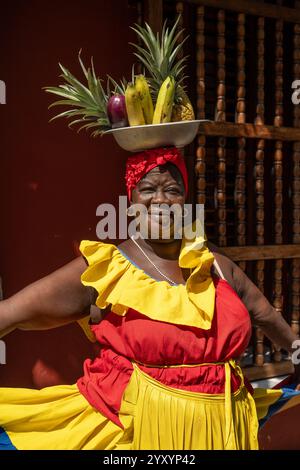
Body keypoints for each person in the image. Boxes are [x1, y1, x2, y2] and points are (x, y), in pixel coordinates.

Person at [0, 146, 299, 450]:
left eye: (173, 190)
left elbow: (265, 315)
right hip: (140, 435)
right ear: (130, 201)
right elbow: (9, 313)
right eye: (148, 189)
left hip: (222, 431)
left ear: (185, 201)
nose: (161, 200)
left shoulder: (216, 264)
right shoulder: (105, 269)